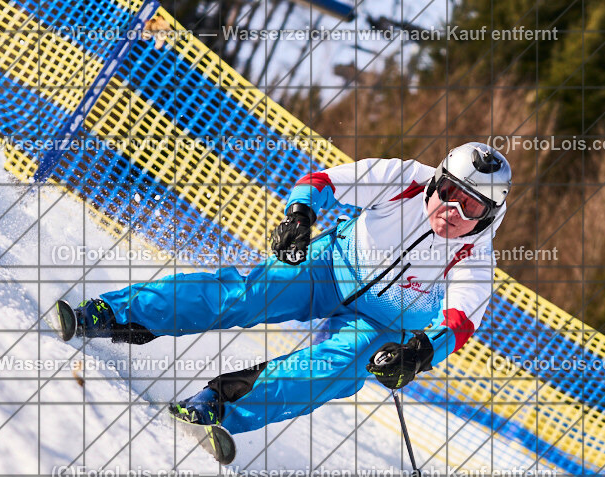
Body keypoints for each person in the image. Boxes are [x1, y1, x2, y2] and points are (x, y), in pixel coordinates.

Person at [50, 142, 510, 435]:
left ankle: (220, 405)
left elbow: (459, 321)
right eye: (449, 192)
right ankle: (112, 315)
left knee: (336, 369)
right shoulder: (403, 180)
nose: (452, 210)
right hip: (329, 267)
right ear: (435, 181)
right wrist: (299, 218)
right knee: (248, 293)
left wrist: (419, 354)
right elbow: (322, 182)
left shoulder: (476, 257)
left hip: (382, 324)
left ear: (486, 218)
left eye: (470, 207)